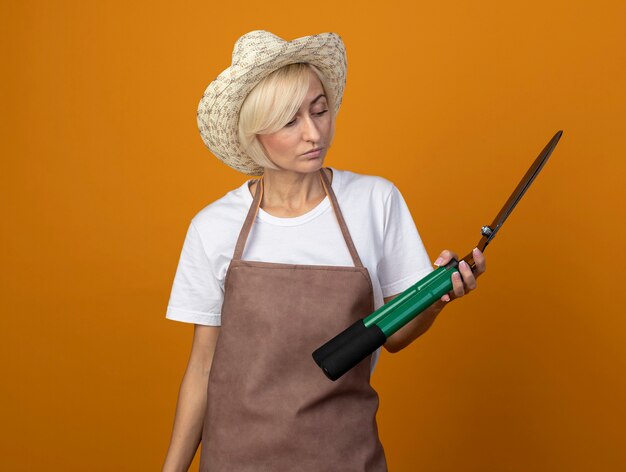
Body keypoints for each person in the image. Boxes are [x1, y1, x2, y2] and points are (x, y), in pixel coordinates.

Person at [162, 30, 486, 472]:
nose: (314, 133)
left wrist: (437, 298)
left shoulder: (375, 201)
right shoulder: (213, 227)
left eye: (320, 110)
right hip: (236, 461)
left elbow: (393, 336)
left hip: (345, 458)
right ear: (255, 133)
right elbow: (202, 369)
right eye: (290, 121)